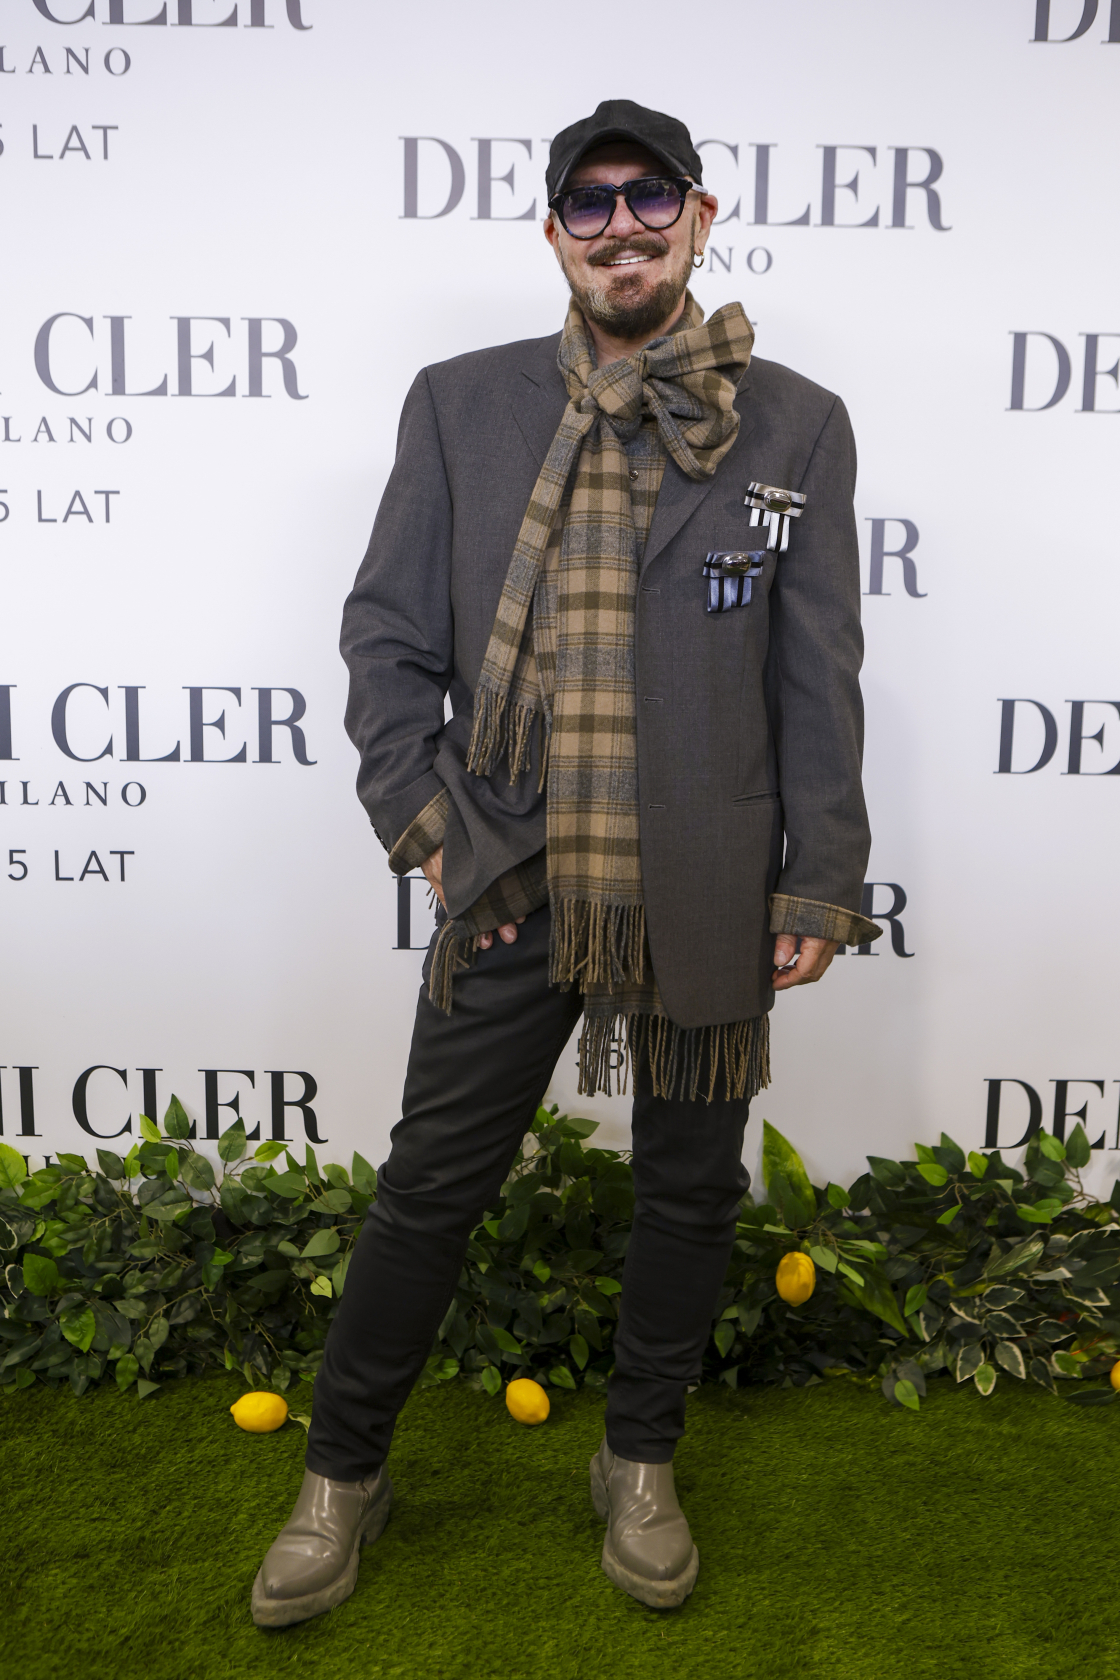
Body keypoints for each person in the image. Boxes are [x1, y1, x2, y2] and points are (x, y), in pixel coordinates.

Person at [251, 97, 879, 1627]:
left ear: (700, 218)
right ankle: (342, 1475)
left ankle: (638, 1459)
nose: (621, 228)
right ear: (555, 235)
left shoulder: (795, 425)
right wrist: (427, 826)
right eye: (588, 205)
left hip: (710, 874)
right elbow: (386, 639)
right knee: (431, 1186)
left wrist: (820, 874)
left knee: (690, 1190)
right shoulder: (459, 406)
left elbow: (817, 673)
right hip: (511, 867)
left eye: (648, 197)